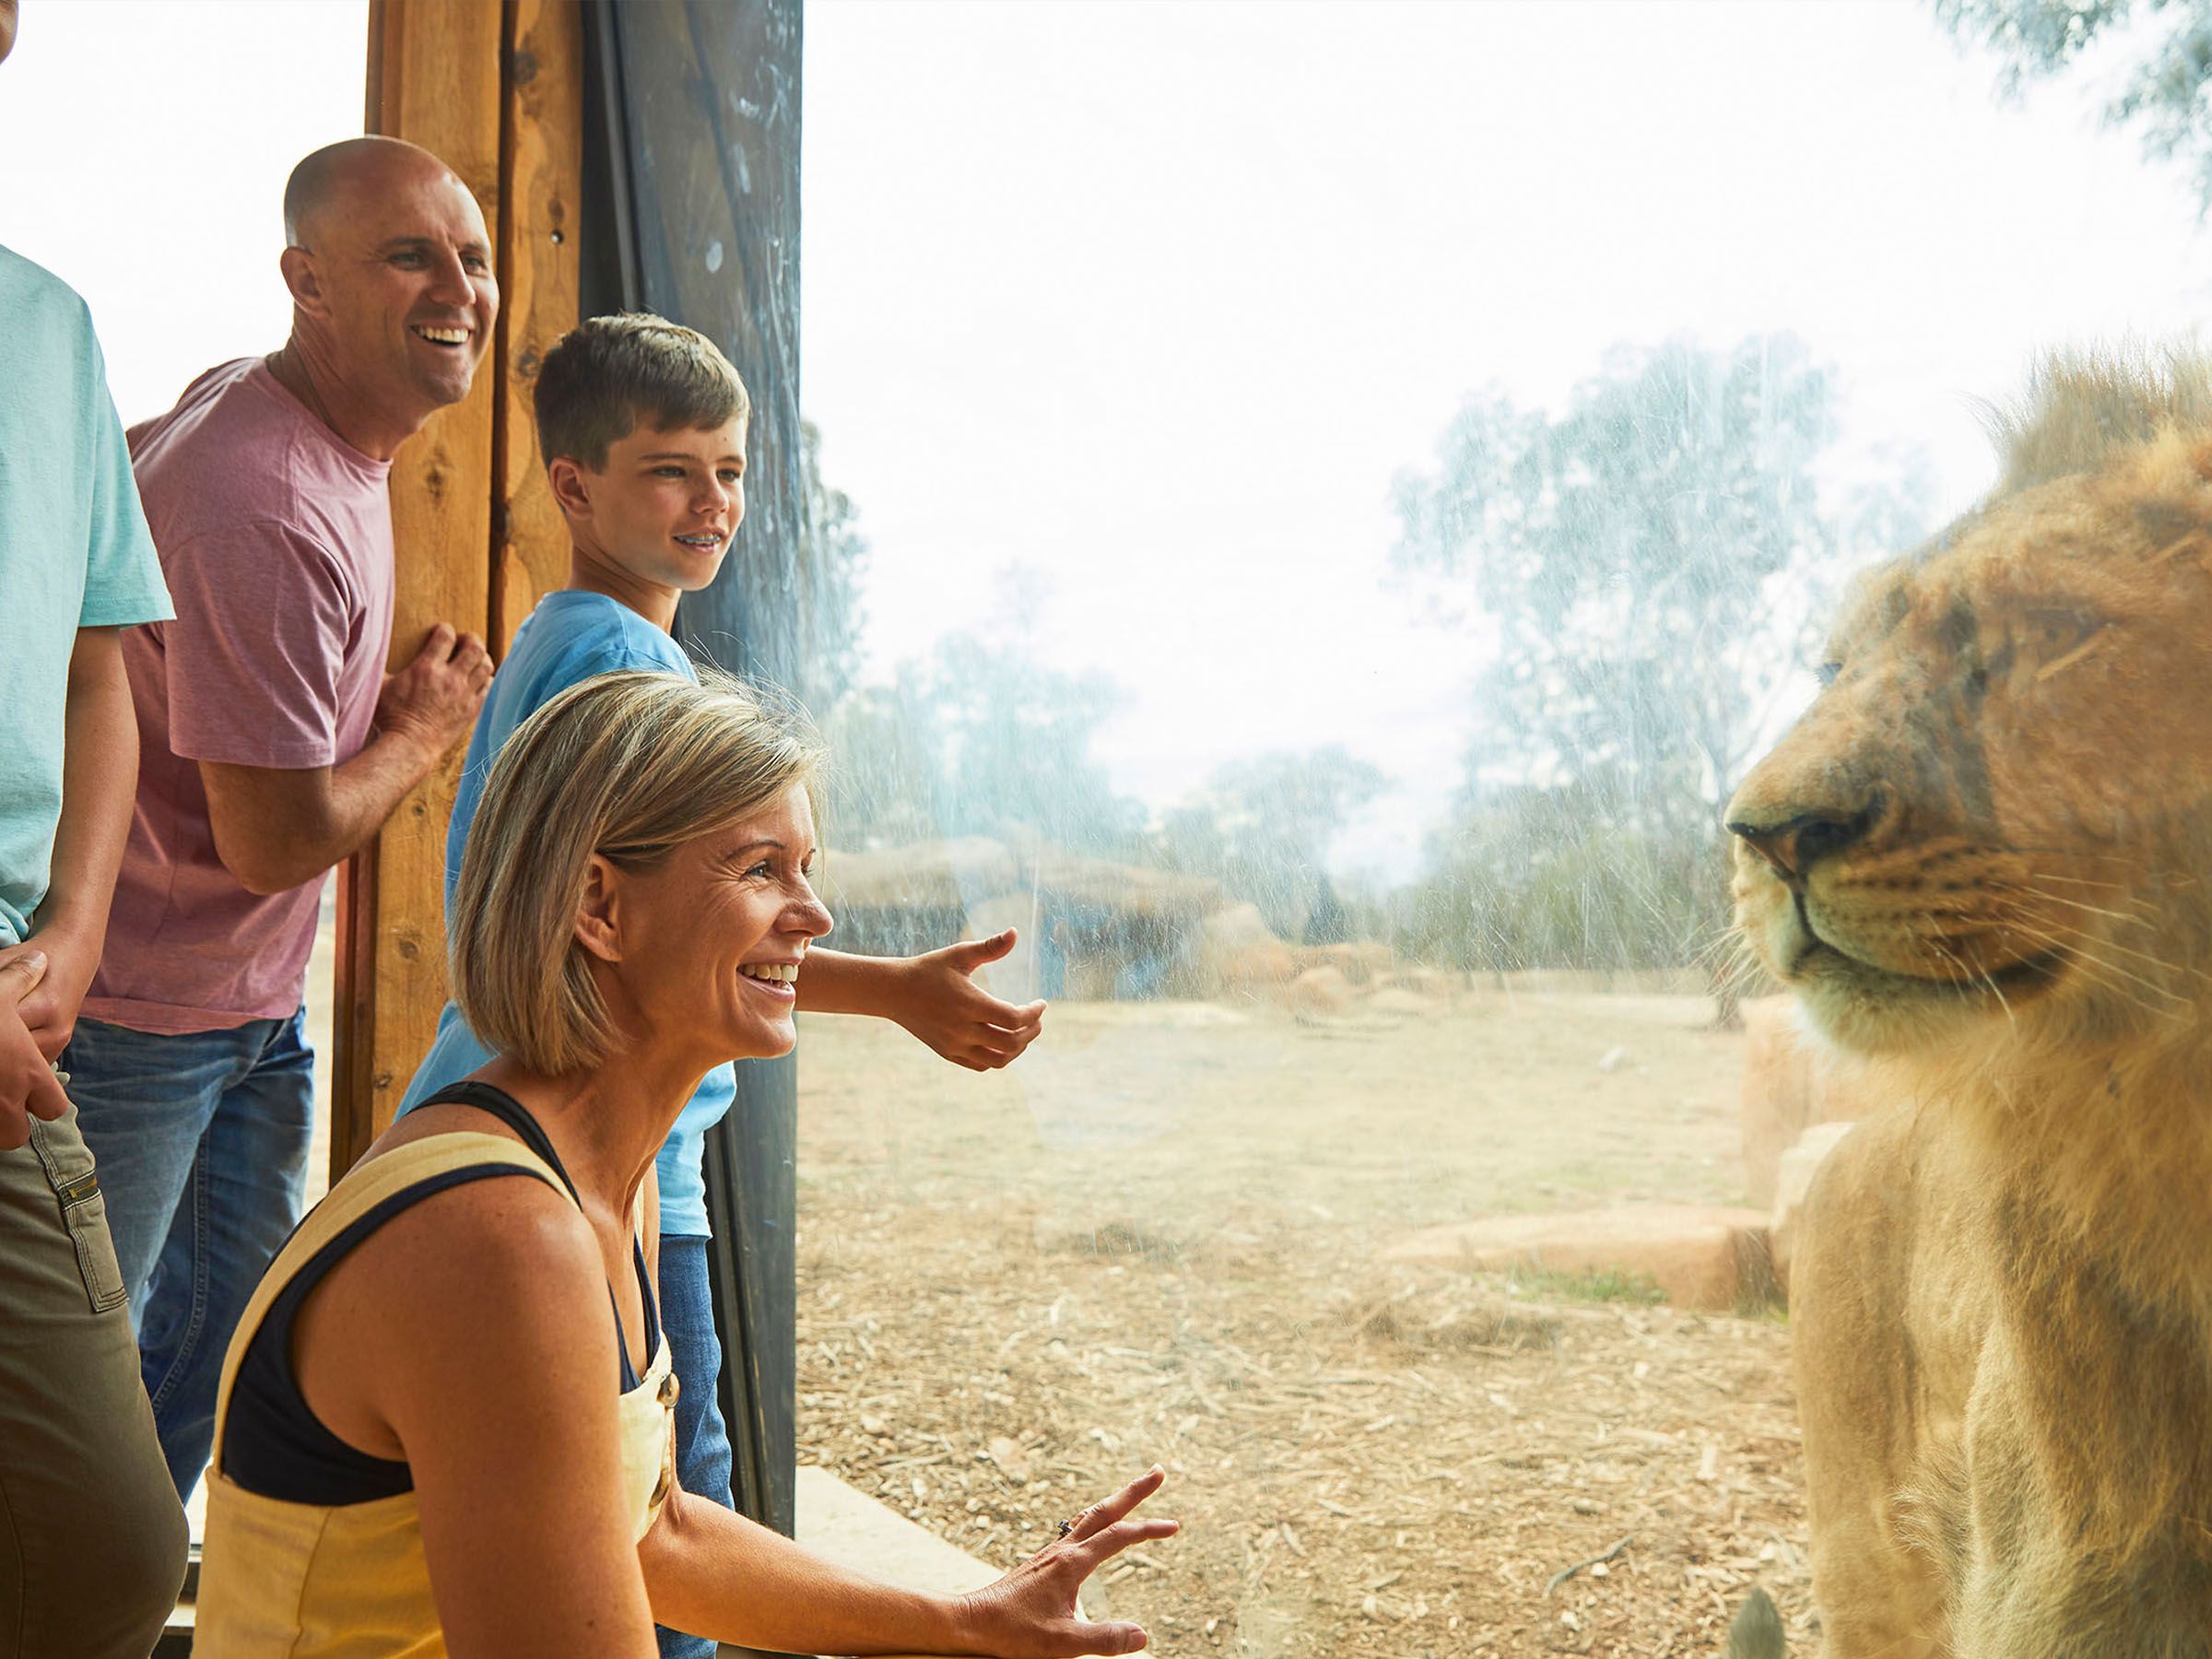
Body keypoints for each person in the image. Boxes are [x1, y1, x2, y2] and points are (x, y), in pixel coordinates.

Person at [196, 668, 1175, 1657]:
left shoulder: (602, 1182)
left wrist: (966, 1625)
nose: (814, 915)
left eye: (807, 866)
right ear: (600, 907)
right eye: (760, 870)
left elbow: (653, 1529)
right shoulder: (501, 1240)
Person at [394, 310, 1051, 1659]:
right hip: (610, 1147)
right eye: (671, 470)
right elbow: (658, 939)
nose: (713, 502)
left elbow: (660, 930)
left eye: (734, 471)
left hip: (540, 1112)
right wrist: (901, 992)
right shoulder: (630, 672)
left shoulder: (564, 639)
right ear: (573, 487)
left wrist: (895, 990)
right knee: (659, 1529)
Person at [63, 134, 497, 1496]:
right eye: (410, 255)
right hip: (133, 1019)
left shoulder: (283, 422)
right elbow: (274, 836)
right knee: (71, 1405)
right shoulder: (262, 495)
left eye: (475, 256)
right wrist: (423, 734)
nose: (461, 288)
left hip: (230, 1005)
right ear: (306, 279)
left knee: (209, 1353)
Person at [0, 2, 194, 1646]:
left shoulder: (48, 331)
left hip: (15, 1022)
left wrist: (73, 928)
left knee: (109, 1552)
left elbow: (96, 672)